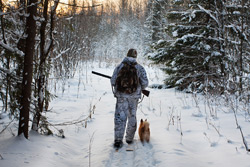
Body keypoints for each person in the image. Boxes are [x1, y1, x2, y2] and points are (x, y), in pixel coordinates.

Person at [111, 48, 149, 149]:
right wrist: (139, 87)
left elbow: (113, 81)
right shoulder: (140, 68)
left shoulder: (119, 66)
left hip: (121, 97)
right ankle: (129, 138)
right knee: (132, 116)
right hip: (134, 97)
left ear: (127, 55)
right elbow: (145, 83)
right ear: (136, 57)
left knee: (120, 117)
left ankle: (118, 140)